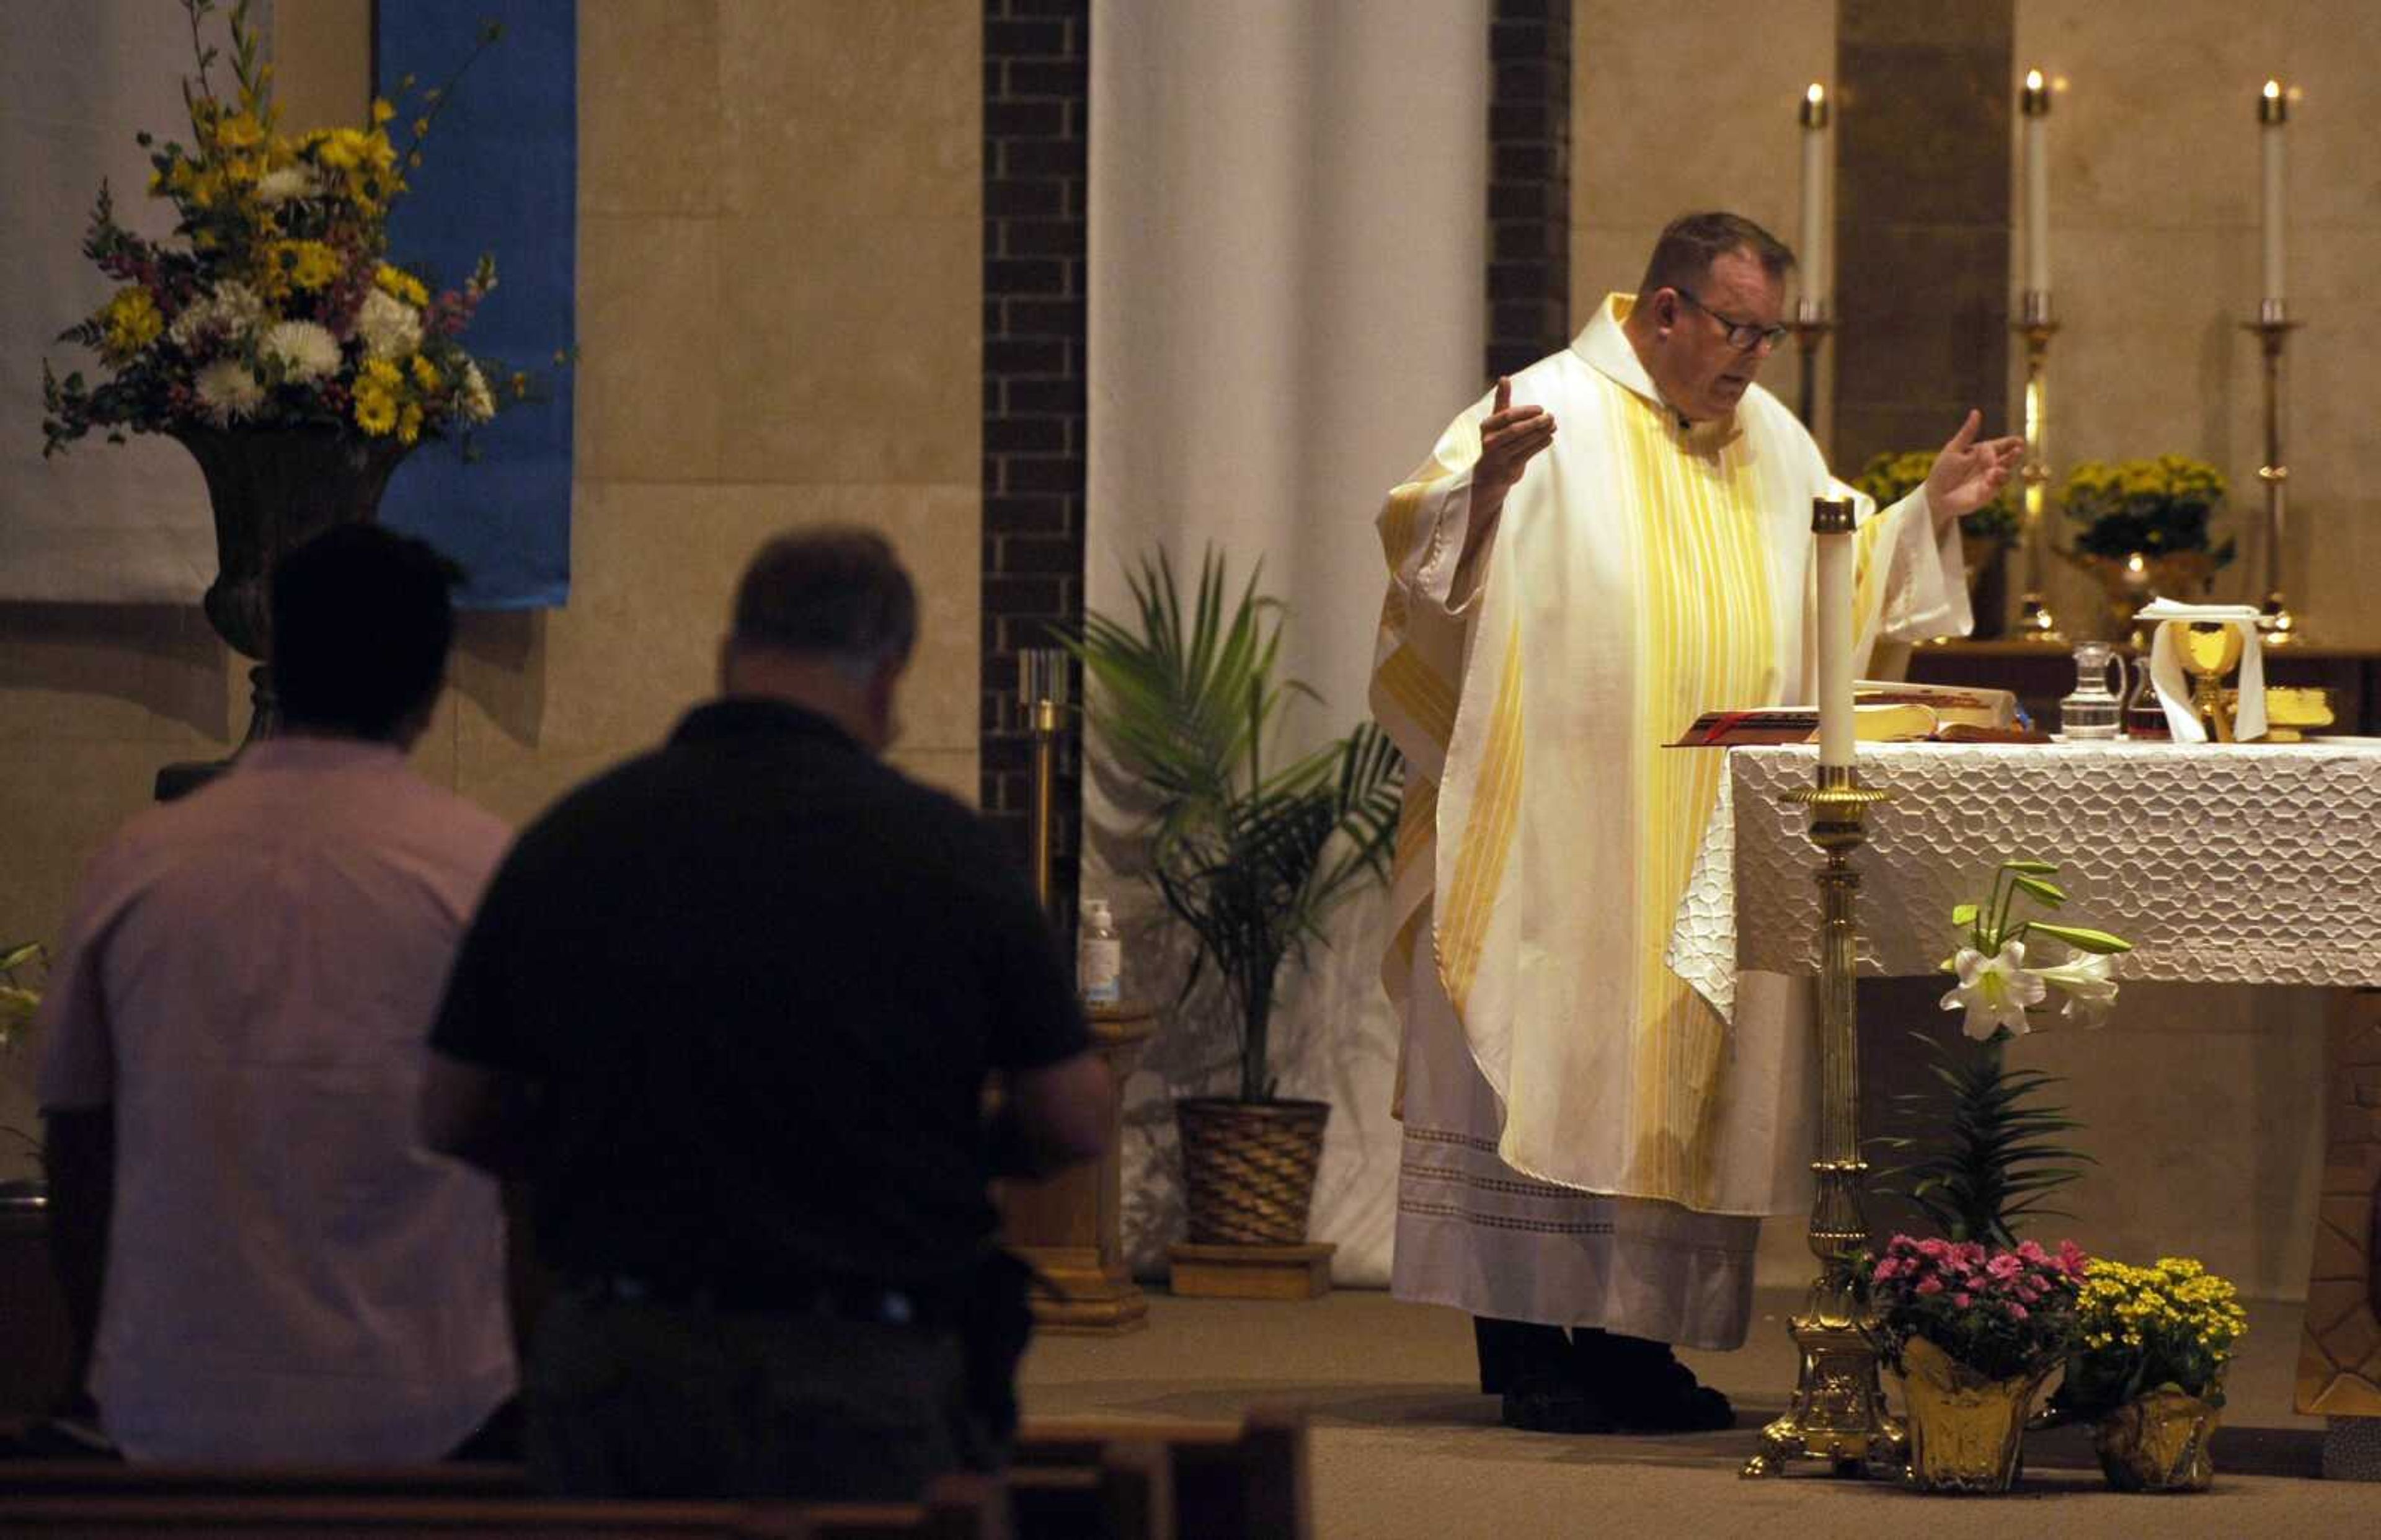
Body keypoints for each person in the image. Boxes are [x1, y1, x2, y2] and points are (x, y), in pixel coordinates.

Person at [1368, 212, 2021, 1433]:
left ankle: (1633, 1348)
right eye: (1738, 328)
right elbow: (1421, 544)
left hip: (1707, 837)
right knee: (1545, 1044)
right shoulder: (1543, 410)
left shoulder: (1774, 441)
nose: (1755, 357)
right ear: (1664, 310)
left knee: (1681, 1077)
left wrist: (1923, 516)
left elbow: (1842, 577)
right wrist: (1485, 493)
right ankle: (1527, 1340)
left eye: (1771, 334)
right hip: (1563, 824)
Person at [420, 526, 1111, 1502]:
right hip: (861, 1366)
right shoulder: (947, 855)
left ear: (728, 658)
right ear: (888, 674)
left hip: (624, 1362)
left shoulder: (576, 839)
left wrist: (594, 1142)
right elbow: (1074, 1116)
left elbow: (448, 1111)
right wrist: (966, 1148)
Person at [34, 524, 517, 1463]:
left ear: (279, 659)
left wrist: (96, 1363)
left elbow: (78, 1136)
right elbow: (529, 1146)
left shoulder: (140, 862)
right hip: (425, 1404)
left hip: (173, 1402)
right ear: (431, 686)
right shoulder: (480, 870)